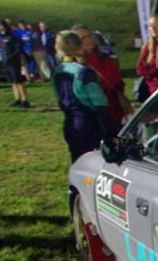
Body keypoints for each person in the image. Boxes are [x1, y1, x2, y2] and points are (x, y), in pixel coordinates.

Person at [51, 31, 116, 162]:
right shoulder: (84, 72)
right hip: (90, 125)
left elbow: (58, 97)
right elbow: (100, 103)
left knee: (77, 162)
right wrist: (109, 132)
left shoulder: (57, 71)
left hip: (70, 123)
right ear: (80, 47)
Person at [73, 25, 126, 131]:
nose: (88, 40)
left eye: (89, 36)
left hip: (114, 112)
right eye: (83, 38)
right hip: (91, 117)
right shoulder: (74, 65)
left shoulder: (106, 59)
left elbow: (118, 84)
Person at [0, 19, 29, 108]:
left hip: (14, 62)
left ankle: (25, 100)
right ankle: (17, 99)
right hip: (6, 63)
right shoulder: (1, 36)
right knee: (13, 82)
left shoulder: (12, 35)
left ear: (2, 26)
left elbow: (19, 47)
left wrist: (12, 57)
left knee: (19, 81)